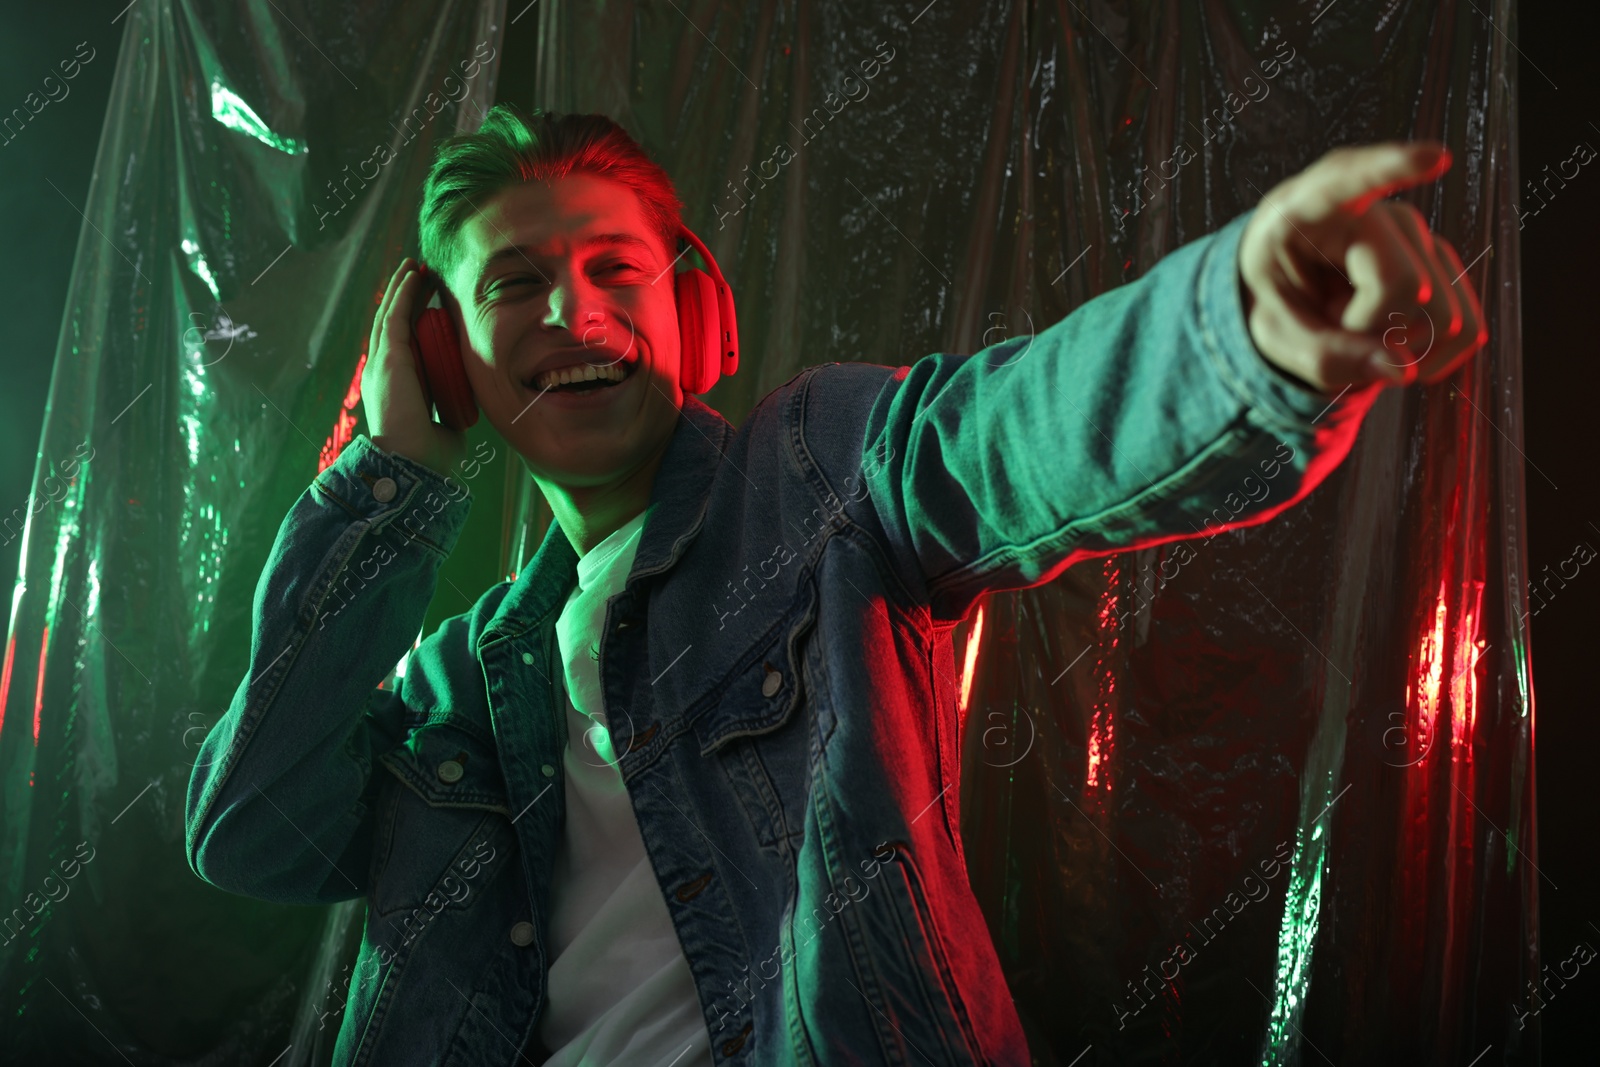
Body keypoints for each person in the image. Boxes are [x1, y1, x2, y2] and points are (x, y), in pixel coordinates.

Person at [184, 103, 1485, 1065]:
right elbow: (251, 829)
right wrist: (384, 477)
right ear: (447, 358)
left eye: (614, 271)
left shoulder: (821, 475)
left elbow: (1017, 437)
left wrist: (1244, 318)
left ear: (700, 312)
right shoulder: (456, 677)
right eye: (514, 285)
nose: (574, 315)